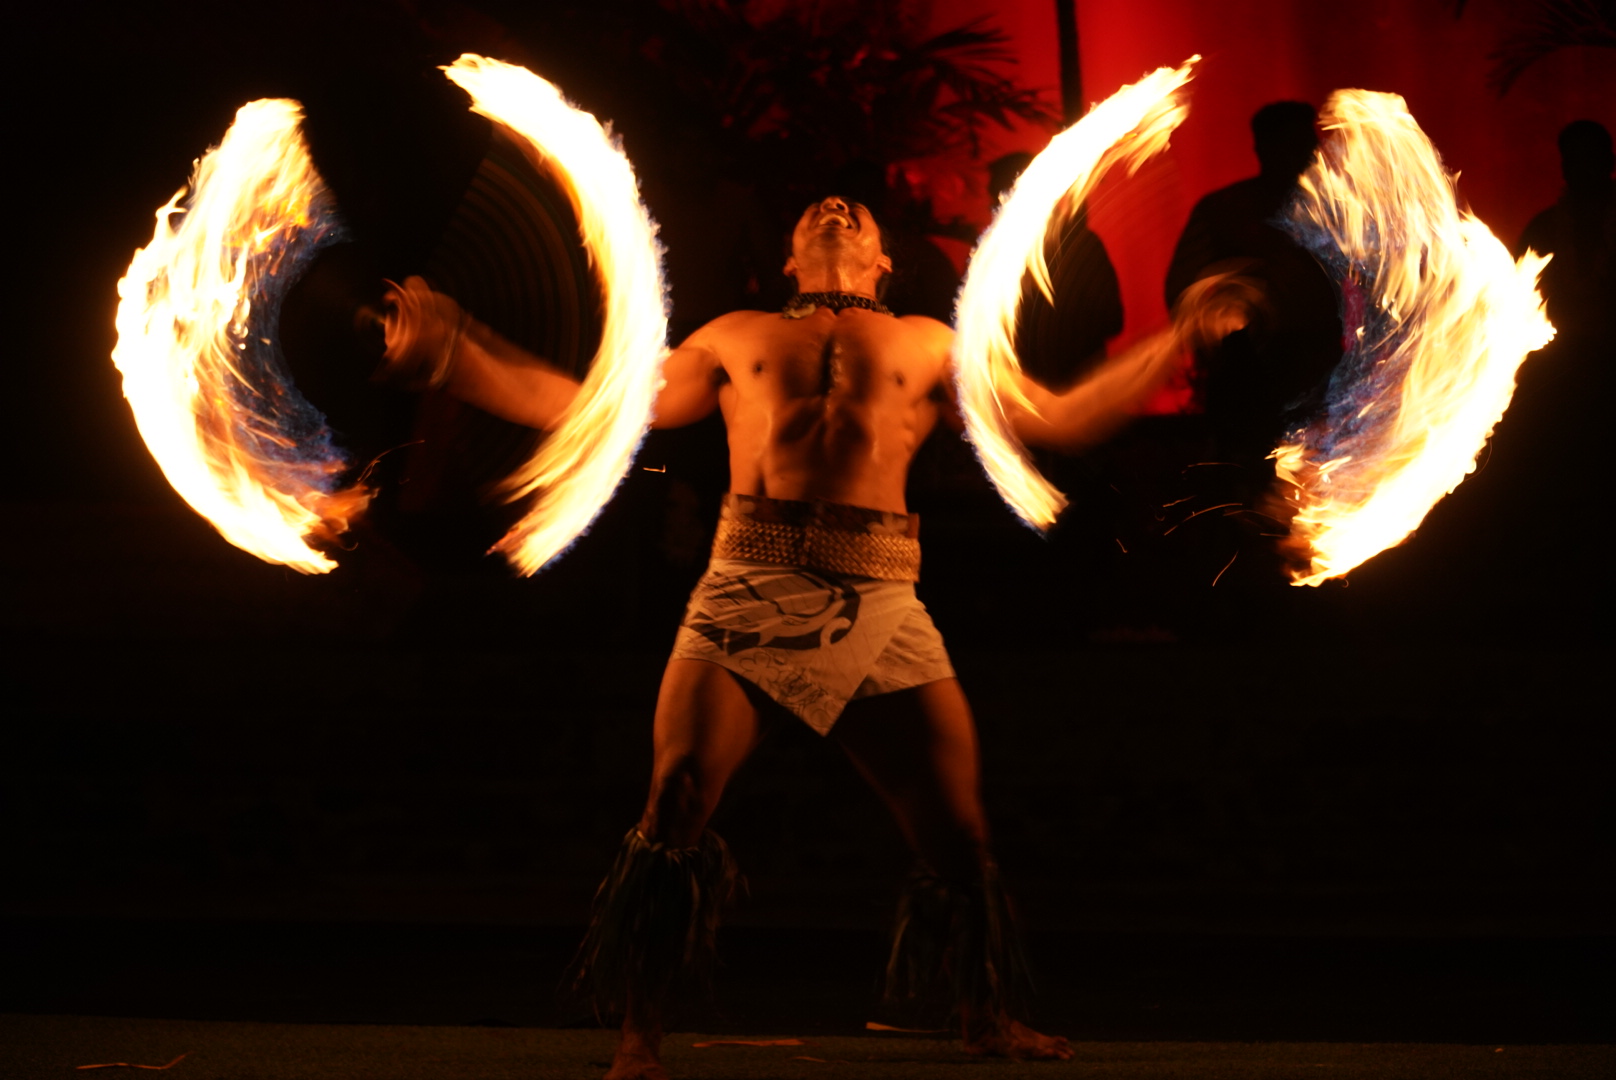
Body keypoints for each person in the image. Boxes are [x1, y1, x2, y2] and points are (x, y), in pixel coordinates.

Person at [379, 194, 1249, 1080]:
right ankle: (639, 1035)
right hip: (749, 583)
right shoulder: (732, 335)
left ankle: (985, 1016)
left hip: (879, 594)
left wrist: (1173, 338)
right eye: (815, 210)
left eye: (857, 212)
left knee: (957, 832)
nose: (837, 207)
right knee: (673, 802)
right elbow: (597, 409)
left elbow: (1054, 418)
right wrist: (457, 354)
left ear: (885, 262)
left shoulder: (932, 344)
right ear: (787, 260)